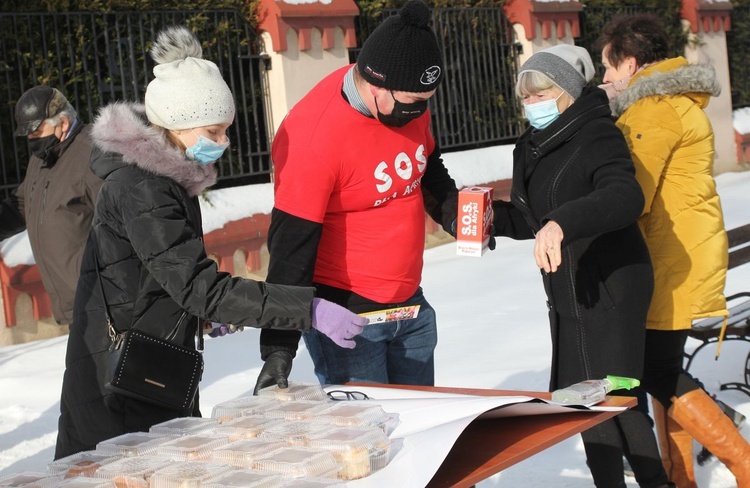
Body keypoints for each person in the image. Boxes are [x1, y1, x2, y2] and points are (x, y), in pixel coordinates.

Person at [54, 25, 366, 459]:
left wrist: (192, 317)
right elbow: (198, 286)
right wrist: (304, 308)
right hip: (119, 385)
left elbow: (149, 278)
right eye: (214, 131)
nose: (224, 143)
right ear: (178, 125)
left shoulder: (162, 181)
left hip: (143, 366)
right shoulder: (142, 188)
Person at [253, 0, 460, 394]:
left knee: (420, 434)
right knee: (369, 444)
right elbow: (290, 247)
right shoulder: (313, 138)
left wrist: (452, 212)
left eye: (427, 100)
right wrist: (278, 348)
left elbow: (426, 163)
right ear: (376, 84)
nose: (421, 112)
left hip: (411, 306)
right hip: (348, 321)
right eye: (413, 102)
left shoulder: (407, 101)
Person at [490, 45, 672, 488]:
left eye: (542, 94)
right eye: (526, 98)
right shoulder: (530, 146)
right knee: (580, 406)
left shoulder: (597, 133)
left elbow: (625, 196)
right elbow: (531, 216)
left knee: (616, 400)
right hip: (568, 292)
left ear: (567, 92)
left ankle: (656, 483)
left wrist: (563, 223)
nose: (533, 105)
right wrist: (484, 217)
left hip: (611, 286)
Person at [596, 13, 750, 487]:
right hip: (685, 253)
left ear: (632, 64)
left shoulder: (652, 109)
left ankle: (743, 467)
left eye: (609, 68)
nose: (604, 79)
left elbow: (630, 194)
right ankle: (680, 478)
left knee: (657, 372)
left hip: (667, 260)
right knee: (660, 370)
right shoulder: (677, 100)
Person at [0, 86, 103, 325]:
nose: (31, 139)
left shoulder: (92, 153)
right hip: (73, 303)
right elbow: (25, 204)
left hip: (101, 300)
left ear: (63, 123)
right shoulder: (42, 158)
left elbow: (119, 223)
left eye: (36, 131)